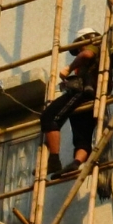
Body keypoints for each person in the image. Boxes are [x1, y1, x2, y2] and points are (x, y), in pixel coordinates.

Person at [40, 28, 101, 179]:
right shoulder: (100, 56)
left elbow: (87, 54)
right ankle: (76, 162)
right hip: (91, 97)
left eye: (80, 46)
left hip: (83, 93)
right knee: (82, 137)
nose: (80, 49)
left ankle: (54, 160)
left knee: (49, 117)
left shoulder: (93, 47)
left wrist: (69, 68)